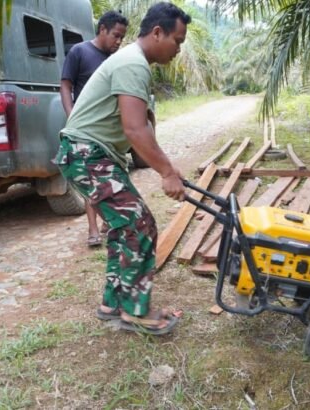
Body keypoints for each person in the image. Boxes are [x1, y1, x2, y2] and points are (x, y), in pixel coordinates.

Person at [54, 2, 190, 335]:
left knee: (123, 227)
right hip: (87, 155)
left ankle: (113, 303)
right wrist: (167, 173)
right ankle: (136, 312)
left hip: (87, 154)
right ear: (157, 33)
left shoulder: (131, 60)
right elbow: (135, 129)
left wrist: (168, 167)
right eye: (177, 41)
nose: (178, 49)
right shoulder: (133, 64)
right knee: (139, 225)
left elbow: (140, 129)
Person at [60, 10, 128, 247]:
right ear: (102, 29)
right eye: (116, 36)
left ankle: (110, 222)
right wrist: (72, 117)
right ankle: (93, 229)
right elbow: (65, 86)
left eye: (122, 38)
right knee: (92, 180)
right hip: (87, 130)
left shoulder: (115, 60)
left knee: (114, 177)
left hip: (109, 130)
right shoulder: (80, 51)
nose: (118, 42)